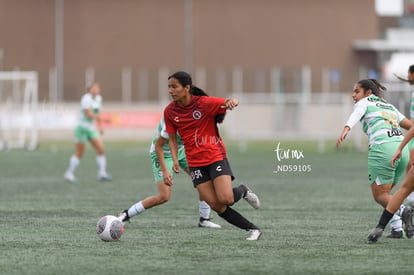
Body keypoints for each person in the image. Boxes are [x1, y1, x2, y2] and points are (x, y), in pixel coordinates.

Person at [161, 71, 262, 241]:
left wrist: (231, 102)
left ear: (186, 88)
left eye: (174, 87)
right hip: (195, 164)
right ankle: (253, 229)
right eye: (169, 87)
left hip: (215, 156)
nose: (171, 90)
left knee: (226, 198)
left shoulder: (204, 103)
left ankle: (242, 191)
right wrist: (175, 160)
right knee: (216, 205)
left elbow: (231, 101)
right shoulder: (170, 111)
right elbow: (172, 140)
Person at [336, 78, 413, 239]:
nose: (353, 95)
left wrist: (346, 128)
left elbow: (356, 113)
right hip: (402, 149)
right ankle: (397, 229)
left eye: (357, 91)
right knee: (388, 193)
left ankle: (403, 211)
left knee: (380, 196)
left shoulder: (364, 102)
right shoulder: (388, 105)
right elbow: (411, 126)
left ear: (368, 93)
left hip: (383, 149)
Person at [118, 117, 221, 228]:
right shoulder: (172, 118)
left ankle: (204, 219)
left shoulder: (196, 114)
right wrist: (165, 170)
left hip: (182, 151)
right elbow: (159, 146)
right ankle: (126, 214)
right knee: (164, 196)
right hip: (163, 153)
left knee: (204, 182)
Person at [64, 82, 112, 183]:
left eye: (97, 88)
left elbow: (97, 113)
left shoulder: (99, 98)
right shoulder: (86, 98)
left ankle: (102, 173)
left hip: (91, 128)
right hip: (82, 128)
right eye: (94, 88)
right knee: (80, 152)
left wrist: (100, 126)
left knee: (101, 149)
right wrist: (103, 119)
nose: (96, 90)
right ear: (89, 89)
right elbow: (88, 114)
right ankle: (69, 173)